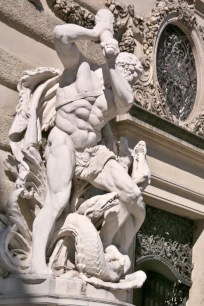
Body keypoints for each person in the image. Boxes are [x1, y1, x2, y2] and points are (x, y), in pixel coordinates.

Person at [28, 9, 145, 275]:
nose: (129, 84)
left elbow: (127, 101)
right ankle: (37, 261)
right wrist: (95, 33)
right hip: (65, 142)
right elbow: (59, 35)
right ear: (122, 69)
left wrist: (113, 64)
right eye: (131, 77)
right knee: (57, 202)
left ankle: (103, 245)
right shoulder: (80, 69)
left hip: (94, 153)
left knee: (132, 195)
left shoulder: (117, 96)